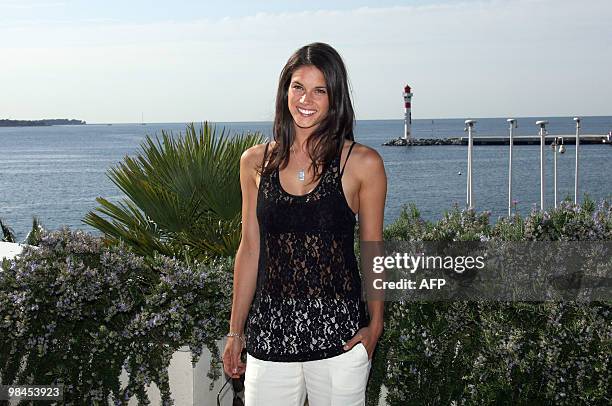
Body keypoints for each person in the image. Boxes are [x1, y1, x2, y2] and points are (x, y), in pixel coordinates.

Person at [222, 42, 387, 406]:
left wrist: (375, 325)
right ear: (285, 91)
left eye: (319, 90)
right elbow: (250, 248)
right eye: (298, 86)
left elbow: (373, 250)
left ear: (334, 97)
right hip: (269, 336)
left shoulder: (362, 164)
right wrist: (236, 331)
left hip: (340, 340)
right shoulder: (254, 162)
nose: (306, 99)